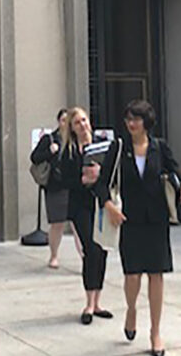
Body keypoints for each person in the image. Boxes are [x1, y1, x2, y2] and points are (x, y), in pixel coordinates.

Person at [96, 100, 181, 356]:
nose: (131, 124)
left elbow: (176, 170)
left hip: (156, 220)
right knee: (132, 275)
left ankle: (155, 332)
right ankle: (131, 310)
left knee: (156, 274)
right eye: (128, 119)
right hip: (129, 220)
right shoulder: (118, 148)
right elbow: (101, 183)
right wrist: (109, 206)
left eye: (136, 119)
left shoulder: (159, 147)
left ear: (146, 122)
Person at [58, 107, 113, 325]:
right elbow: (64, 180)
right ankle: (88, 303)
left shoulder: (103, 144)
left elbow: (113, 172)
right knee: (90, 249)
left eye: (84, 120)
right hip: (81, 205)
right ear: (71, 128)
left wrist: (99, 174)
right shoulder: (69, 152)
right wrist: (82, 179)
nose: (82, 125)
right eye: (77, 123)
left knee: (102, 250)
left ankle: (98, 301)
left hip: (101, 203)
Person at [30, 108, 82, 268]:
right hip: (55, 186)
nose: (65, 124)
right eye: (63, 120)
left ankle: (84, 258)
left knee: (78, 224)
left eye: (69, 121)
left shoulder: (76, 140)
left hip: (73, 186)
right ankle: (54, 255)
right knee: (57, 224)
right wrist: (49, 152)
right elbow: (34, 157)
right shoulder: (50, 139)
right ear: (58, 122)